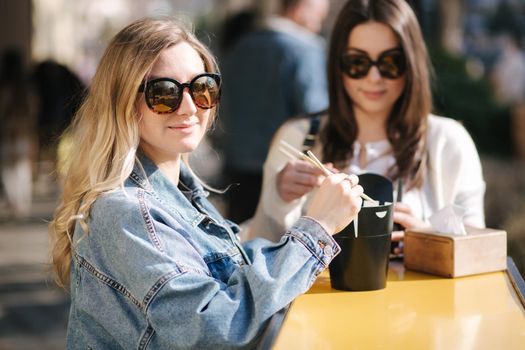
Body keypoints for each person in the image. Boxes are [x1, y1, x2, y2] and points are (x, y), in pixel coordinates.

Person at [49, 17, 364, 348]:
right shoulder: (127, 211)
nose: (188, 107)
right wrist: (317, 228)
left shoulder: (178, 194)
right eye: (164, 92)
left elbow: (231, 270)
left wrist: (286, 205)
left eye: (201, 88)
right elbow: (212, 328)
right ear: (123, 101)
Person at [245, 0, 486, 244]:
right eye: (357, 63)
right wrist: (279, 200)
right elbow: (260, 250)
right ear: (338, 65)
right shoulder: (297, 137)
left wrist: (426, 236)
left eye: (390, 63)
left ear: (411, 63)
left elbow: (479, 249)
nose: (373, 77)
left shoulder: (448, 141)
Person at [219, 0, 330, 224]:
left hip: (236, 165)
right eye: (318, 16)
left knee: (238, 243)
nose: (318, 25)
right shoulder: (306, 49)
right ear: (300, 8)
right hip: (285, 173)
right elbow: (316, 112)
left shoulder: (240, 45)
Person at [0, 49, 38, 219]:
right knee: (22, 166)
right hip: (25, 131)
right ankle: (23, 202)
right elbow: (34, 111)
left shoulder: (5, 88)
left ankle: (15, 202)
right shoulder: (27, 88)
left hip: (8, 132)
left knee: (8, 167)